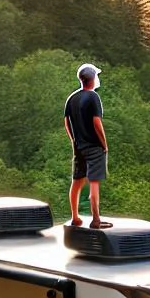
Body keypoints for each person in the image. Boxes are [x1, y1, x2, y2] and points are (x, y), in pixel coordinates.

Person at [64, 63, 111, 229]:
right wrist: (104, 144)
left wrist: (74, 141)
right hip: (94, 147)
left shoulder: (72, 98)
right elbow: (96, 122)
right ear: (92, 79)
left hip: (79, 147)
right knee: (94, 182)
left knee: (76, 182)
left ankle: (75, 217)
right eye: (97, 76)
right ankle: (96, 220)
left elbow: (66, 122)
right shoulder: (93, 97)